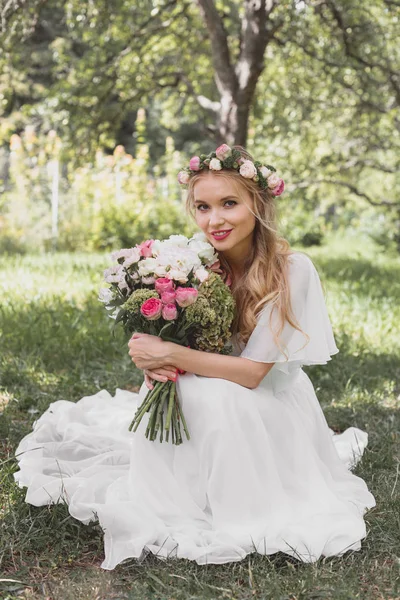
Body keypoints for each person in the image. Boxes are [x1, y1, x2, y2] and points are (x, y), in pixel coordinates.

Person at [13, 144, 376, 570]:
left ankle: (235, 501)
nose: (214, 220)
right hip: (209, 381)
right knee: (188, 391)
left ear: (257, 205)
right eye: (202, 207)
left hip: (268, 400)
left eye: (229, 204)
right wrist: (154, 358)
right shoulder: (194, 265)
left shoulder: (292, 269)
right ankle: (178, 491)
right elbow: (180, 339)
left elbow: (254, 374)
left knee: (215, 397)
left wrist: (172, 352)